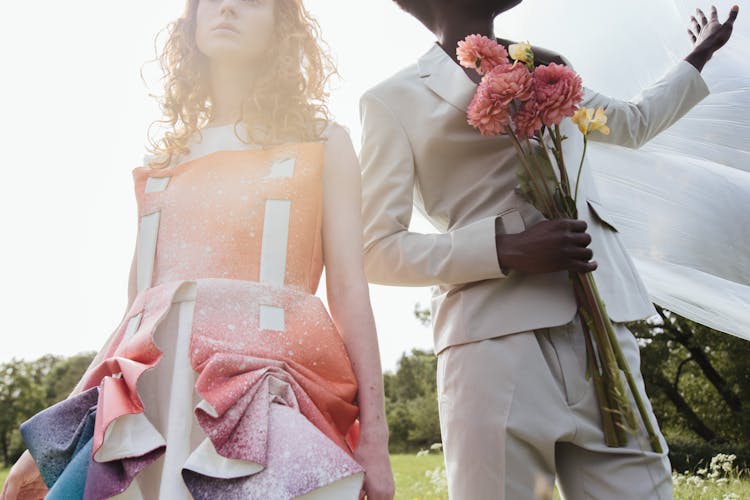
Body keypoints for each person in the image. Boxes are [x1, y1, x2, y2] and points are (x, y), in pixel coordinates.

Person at [1, 0, 394, 499]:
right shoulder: (163, 160)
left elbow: (349, 291)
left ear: (282, 25)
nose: (227, 7)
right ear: (191, 19)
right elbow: (134, 319)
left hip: (260, 403)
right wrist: (49, 443)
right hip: (150, 415)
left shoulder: (323, 142)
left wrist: (375, 440)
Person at [358, 1, 738, 498]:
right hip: (492, 348)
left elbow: (632, 123)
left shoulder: (546, 70)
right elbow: (377, 250)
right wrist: (504, 248)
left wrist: (699, 57)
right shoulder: (391, 101)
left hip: (603, 334)